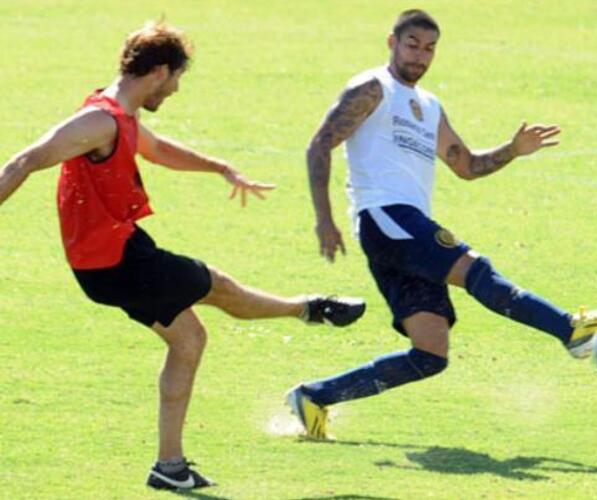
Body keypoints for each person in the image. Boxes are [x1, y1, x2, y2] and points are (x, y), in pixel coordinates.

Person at [0, 21, 365, 490]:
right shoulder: (99, 121)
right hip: (114, 261)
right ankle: (310, 308)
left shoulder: (121, 116)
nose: (174, 89)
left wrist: (219, 167)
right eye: (176, 78)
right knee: (220, 288)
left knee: (189, 339)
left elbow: (154, 149)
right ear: (160, 71)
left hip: (119, 251)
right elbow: (24, 161)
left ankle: (169, 467)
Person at [286, 9, 597, 440]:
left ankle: (315, 397)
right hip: (386, 217)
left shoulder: (429, 107)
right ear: (392, 42)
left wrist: (513, 149)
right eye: (412, 45)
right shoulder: (373, 89)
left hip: (405, 227)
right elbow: (320, 145)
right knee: (477, 271)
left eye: (429, 49)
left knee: (430, 353)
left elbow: (466, 166)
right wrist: (324, 218)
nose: (420, 56)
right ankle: (570, 330)